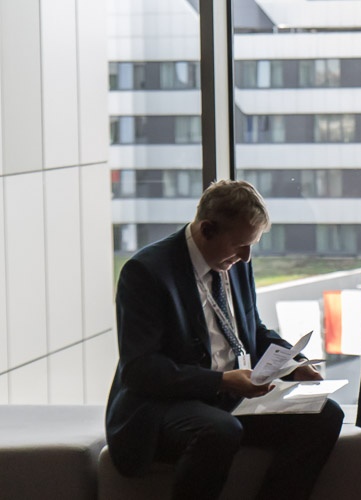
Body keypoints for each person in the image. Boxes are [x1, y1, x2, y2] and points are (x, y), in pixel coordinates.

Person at [105, 179, 344, 500]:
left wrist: (294, 364)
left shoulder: (235, 263)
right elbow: (140, 370)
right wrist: (221, 381)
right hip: (165, 403)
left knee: (326, 415)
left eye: (252, 245)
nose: (246, 256)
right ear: (207, 230)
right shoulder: (147, 272)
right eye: (240, 245)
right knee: (219, 430)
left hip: (229, 395)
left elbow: (253, 331)